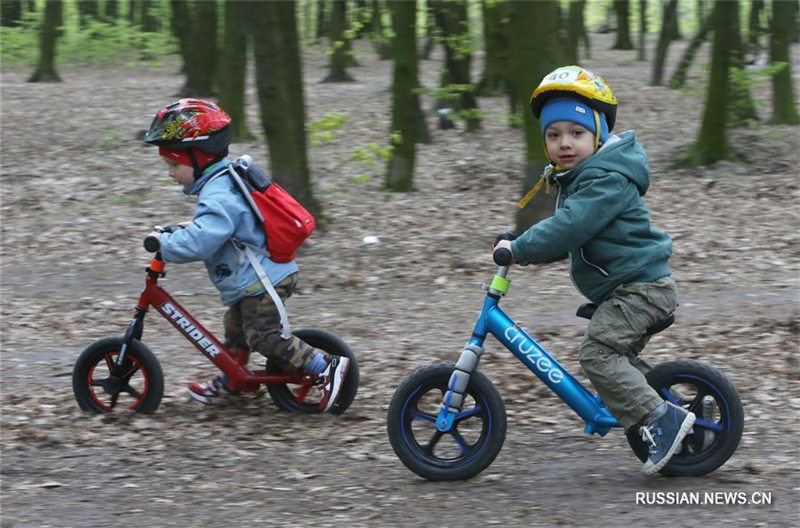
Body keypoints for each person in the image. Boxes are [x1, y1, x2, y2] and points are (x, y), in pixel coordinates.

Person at [493, 66, 694, 476]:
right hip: (625, 288)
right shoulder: (582, 177)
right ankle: (661, 411)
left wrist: (520, 248)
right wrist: (523, 248)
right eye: (554, 135)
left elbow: (570, 227)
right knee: (612, 358)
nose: (565, 143)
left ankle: (662, 420)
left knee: (598, 355)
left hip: (641, 289)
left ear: (598, 135)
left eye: (576, 133)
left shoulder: (606, 179)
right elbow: (567, 236)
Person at [143, 98, 349, 411]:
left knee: (262, 336)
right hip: (257, 277)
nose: (171, 173)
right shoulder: (223, 180)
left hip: (262, 280)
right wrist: (183, 226)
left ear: (198, 157)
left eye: (174, 165)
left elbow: (203, 241)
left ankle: (323, 367)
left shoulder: (218, 193)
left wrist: (165, 245)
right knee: (235, 328)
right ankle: (234, 382)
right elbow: (222, 225)